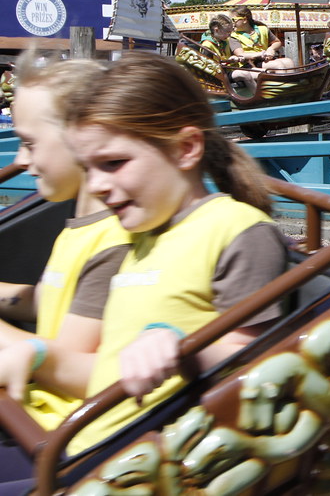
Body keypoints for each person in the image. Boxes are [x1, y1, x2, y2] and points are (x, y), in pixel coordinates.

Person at [6, 53, 290, 459]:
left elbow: (258, 369)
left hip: (128, 463)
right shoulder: (144, 235)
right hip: (80, 447)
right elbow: (109, 373)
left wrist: (176, 343)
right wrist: (36, 356)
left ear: (186, 148)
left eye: (114, 163)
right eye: (90, 168)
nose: (99, 185)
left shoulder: (236, 229)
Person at [0, 54, 131, 433]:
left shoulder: (114, 240)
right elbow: (49, 300)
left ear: (81, 136)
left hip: (51, 424)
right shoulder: (79, 226)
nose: (21, 160)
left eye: (29, 143)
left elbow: (60, 356)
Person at [229, 5, 295, 72]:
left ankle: (293, 82)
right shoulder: (234, 36)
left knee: (289, 62)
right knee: (278, 65)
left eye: (234, 20)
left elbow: (277, 42)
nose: (232, 23)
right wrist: (260, 54)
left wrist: (271, 49)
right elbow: (240, 54)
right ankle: (282, 81)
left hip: (264, 60)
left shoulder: (263, 29)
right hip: (248, 64)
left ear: (245, 20)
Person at [201, 13, 256, 93]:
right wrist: (227, 62)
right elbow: (205, 68)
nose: (229, 35)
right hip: (219, 75)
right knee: (245, 74)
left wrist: (237, 58)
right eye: (227, 32)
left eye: (230, 32)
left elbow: (233, 56)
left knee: (260, 74)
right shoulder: (207, 45)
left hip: (230, 70)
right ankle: (256, 100)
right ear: (216, 30)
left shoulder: (225, 41)